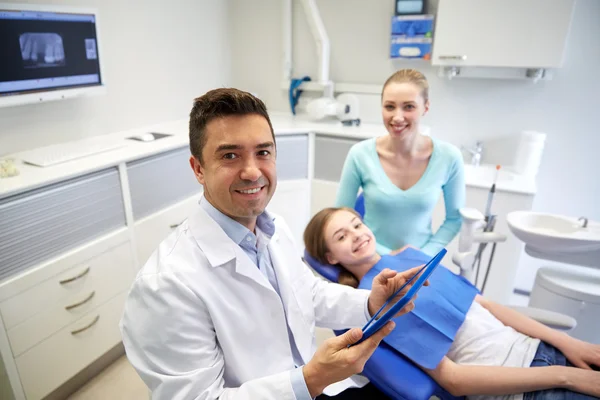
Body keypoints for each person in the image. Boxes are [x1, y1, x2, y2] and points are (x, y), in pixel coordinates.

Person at [119, 88, 425, 400]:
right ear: (199, 169)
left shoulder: (275, 228)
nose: (252, 171)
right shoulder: (165, 286)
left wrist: (369, 303)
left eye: (263, 152)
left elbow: (307, 293)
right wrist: (310, 380)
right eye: (230, 155)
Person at [303, 206, 600, 400]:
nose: (356, 235)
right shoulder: (370, 306)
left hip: (541, 350)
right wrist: (566, 377)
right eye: (342, 236)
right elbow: (453, 380)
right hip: (521, 387)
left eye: (356, 225)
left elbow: (486, 306)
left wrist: (568, 344)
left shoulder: (412, 254)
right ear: (331, 258)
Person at [335, 68, 464, 257]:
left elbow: (455, 219)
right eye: (389, 107)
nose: (397, 116)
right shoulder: (359, 155)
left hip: (421, 261)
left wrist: (423, 255)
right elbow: (340, 216)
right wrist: (387, 254)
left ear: (425, 107)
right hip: (370, 257)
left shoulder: (449, 157)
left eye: (409, 107)